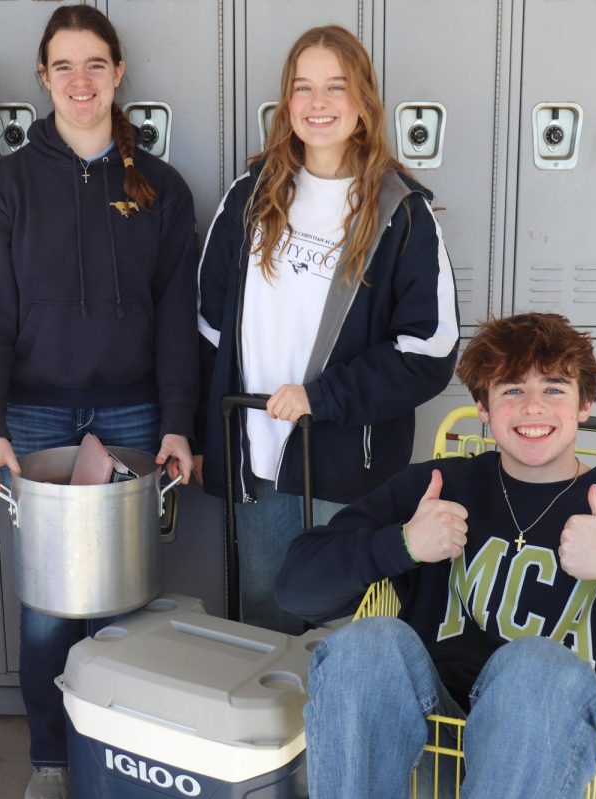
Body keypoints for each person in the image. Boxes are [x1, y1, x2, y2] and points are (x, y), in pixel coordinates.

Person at [275, 312, 596, 799]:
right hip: (422, 745)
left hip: (555, 755)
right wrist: (401, 545)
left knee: (534, 667)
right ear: (483, 406)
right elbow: (296, 589)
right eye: (512, 389)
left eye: (554, 389)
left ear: (585, 405)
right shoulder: (436, 488)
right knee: (366, 643)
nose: (533, 408)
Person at [0, 6, 197, 799]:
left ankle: (114, 756)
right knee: (47, 613)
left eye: (94, 64)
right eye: (63, 67)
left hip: (132, 414)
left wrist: (176, 422)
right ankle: (53, 761)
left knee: (125, 604)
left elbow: (175, 320)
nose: (80, 81)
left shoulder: (160, 187)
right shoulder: (7, 185)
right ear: (43, 78)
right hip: (34, 418)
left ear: (119, 72)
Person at [196, 25, 459, 634]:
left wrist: (323, 397)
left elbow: (428, 349)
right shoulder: (250, 196)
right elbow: (208, 328)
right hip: (257, 456)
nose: (318, 104)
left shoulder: (402, 211)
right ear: (286, 103)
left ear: (364, 102)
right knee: (266, 624)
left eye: (335, 87)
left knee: (345, 631)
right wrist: (207, 436)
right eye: (303, 88)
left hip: (348, 466)